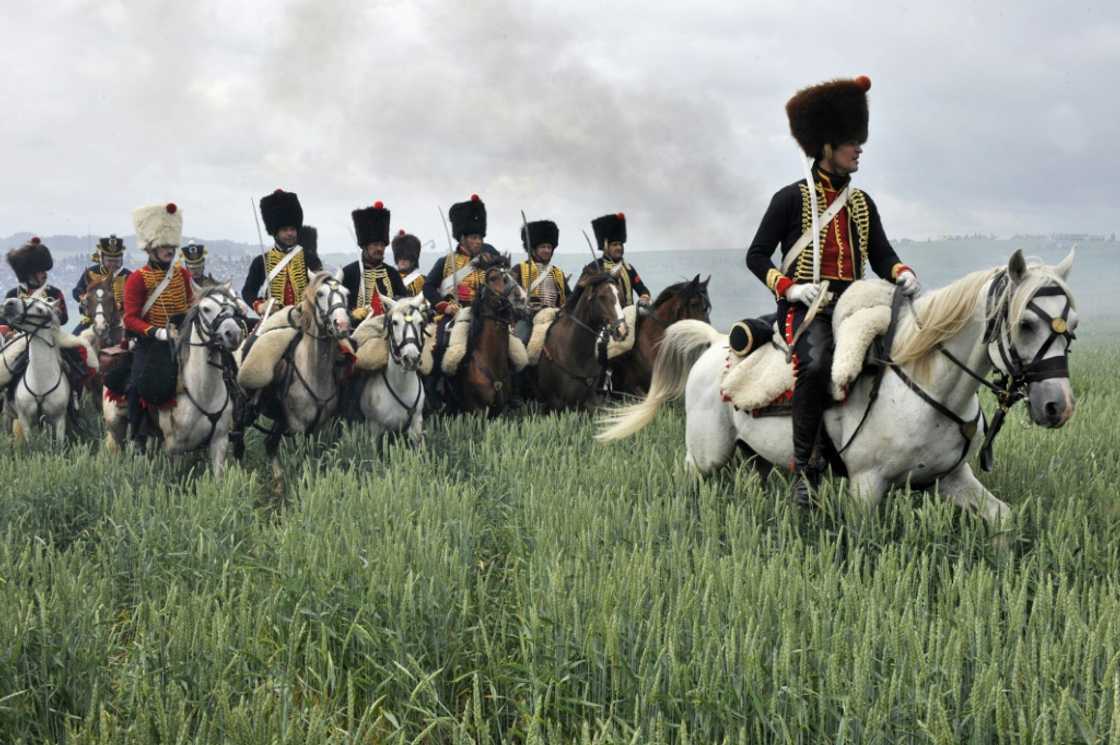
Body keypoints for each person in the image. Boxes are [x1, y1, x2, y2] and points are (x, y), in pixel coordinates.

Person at [744, 75, 921, 506]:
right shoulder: (789, 199)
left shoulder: (862, 203)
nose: (859, 148)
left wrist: (902, 272)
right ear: (826, 146)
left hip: (859, 303)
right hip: (809, 308)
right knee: (818, 363)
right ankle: (805, 470)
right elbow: (756, 256)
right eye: (850, 141)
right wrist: (789, 289)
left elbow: (882, 254)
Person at [122, 202, 194, 450]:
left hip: (182, 339)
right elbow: (129, 318)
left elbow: (190, 303)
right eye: (164, 245)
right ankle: (137, 436)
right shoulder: (137, 278)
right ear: (151, 246)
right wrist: (156, 332)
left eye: (172, 246)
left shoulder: (182, 275)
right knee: (136, 384)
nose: (170, 250)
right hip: (152, 343)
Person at [241, 189, 320, 314]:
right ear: (275, 233)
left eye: (292, 229)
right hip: (273, 320)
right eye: (284, 230)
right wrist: (261, 306)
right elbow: (248, 291)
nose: (290, 234)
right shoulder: (261, 261)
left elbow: (321, 288)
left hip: (305, 318)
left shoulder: (310, 258)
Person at [342, 201, 407, 323]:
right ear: (365, 246)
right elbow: (337, 306)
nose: (380, 249)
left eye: (382, 245)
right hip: (357, 331)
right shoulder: (349, 272)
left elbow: (405, 300)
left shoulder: (392, 273)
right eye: (375, 244)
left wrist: (397, 300)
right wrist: (351, 313)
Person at [512, 219, 569, 344]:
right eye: (543, 247)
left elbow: (567, 299)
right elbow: (510, 297)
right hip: (527, 319)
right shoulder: (519, 269)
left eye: (549, 247)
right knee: (519, 343)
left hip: (554, 319)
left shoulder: (558, 273)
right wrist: (525, 308)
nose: (547, 250)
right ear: (533, 249)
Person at [590, 212, 650, 308]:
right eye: (614, 245)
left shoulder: (628, 267)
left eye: (620, 244)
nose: (619, 248)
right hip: (607, 319)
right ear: (606, 247)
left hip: (629, 316)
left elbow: (641, 288)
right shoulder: (594, 267)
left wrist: (644, 296)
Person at [72, 234, 130, 331]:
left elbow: (134, 299)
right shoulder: (91, 272)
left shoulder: (128, 275)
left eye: (117, 261)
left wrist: (121, 305)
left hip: (120, 320)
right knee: (74, 340)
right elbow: (77, 290)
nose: (113, 264)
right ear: (102, 259)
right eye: (109, 261)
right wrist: (83, 297)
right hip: (93, 318)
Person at [392, 230, 426, 297]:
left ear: (413, 261)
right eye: (399, 257)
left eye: (406, 258)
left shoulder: (423, 280)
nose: (402, 260)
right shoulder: (389, 278)